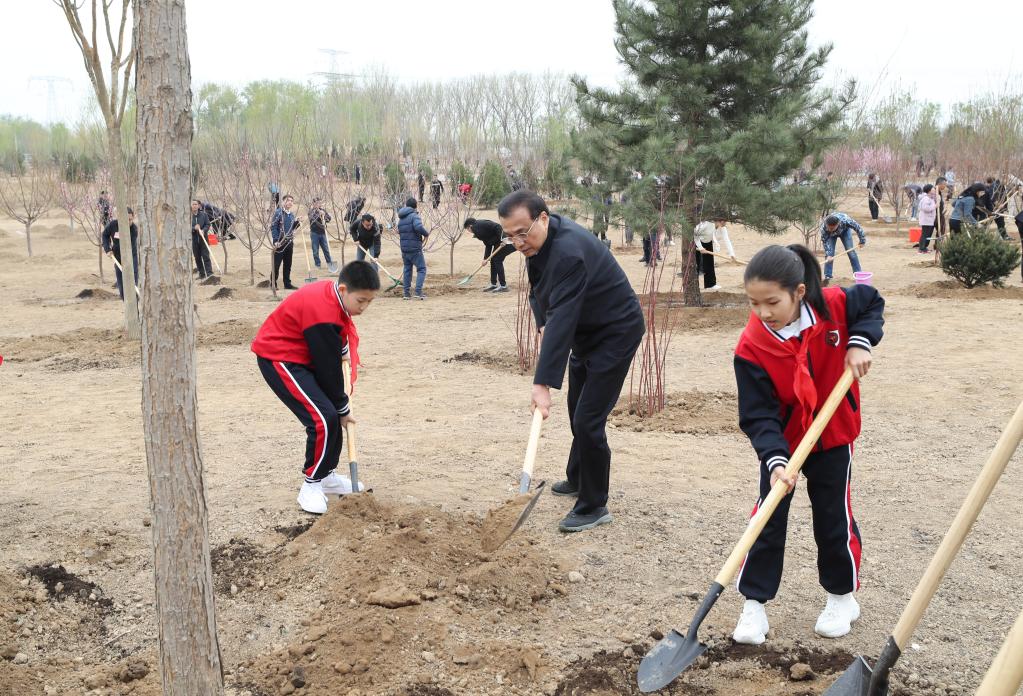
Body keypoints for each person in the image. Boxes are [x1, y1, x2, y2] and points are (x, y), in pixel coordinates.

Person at [731, 244, 884, 645]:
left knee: (832, 517)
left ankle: (841, 597)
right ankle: (754, 606)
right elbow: (758, 414)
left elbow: (872, 302)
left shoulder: (834, 306)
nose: (763, 312)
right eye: (753, 303)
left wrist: (860, 342)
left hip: (834, 434)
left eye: (772, 302)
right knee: (768, 517)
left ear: (799, 292)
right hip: (785, 443)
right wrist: (776, 460)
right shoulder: (751, 346)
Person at [499, 190, 645, 533]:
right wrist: (542, 323)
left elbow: (563, 316)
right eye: (510, 235)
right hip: (588, 331)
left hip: (615, 332)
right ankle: (578, 476)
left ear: (543, 217)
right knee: (578, 405)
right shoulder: (539, 242)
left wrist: (542, 383)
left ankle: (594, 505)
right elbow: (539, 291)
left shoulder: (567, 252)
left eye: (523, 232)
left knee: (589, 418)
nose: (518, 242)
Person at [251, 261, 380, 514]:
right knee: (322, 418)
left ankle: (326, 476)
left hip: (303, 353)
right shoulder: (321, 311)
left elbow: (336, 332)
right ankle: (311, 484)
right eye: (361, 301)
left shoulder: (335, 298)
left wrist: (341, 347)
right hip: (280, 357)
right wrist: (342, 406)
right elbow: (327, 368)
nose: (364, 308)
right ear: (343, 290)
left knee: (330, 414)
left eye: (369, 302)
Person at [463, 217, 514, 292]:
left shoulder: (479, 226)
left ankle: (503, 286)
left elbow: (497, 226)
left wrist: (503, 239)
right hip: (499, 243)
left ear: (470, 226)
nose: (469, 231)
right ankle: (493, 284)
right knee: (493, 260)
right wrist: (485, 258)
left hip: (507, 241)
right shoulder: (478, 230)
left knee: (497, 260)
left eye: (468, 229)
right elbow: (488, 244)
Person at [101, 206, 139, 301]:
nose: (128, 222)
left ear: (133, 218)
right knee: (122, 288)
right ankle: (126, 305)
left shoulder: (134, 230)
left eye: (130, 220)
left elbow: (128, 247)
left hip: (131, 259)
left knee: (132, 285)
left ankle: (136, 310)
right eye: (125, 220)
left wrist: (127, 263)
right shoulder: (113, 225)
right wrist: (107, 249)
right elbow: (105, 235)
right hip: (117, 259)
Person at [397, 197, 429, 299]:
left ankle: (406, 293)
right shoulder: (414, 216)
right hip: (414, 248)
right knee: (422, 269)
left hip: (404, 249)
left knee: (407, 269)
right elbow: (418, 227)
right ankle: (418, 292)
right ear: (415, 206)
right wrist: (426, 234)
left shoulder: (401, 218)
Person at [820, 213, 866, 283]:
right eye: (829, 228)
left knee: (851, 252)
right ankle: (828, 276)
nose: (831, 229)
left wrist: (862, 241)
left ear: (838, 224)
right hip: (830, 236)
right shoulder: (824, 228)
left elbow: (858, 228)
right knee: (829, 255)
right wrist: (828, 253)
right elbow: (824, 241)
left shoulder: (845, 220)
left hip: (845, 232)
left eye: (832, 228)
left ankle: (858, 274)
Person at [693, 217, 736, 290]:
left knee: (709, 263)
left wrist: (732, 254)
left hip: (708, 242)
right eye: (723, 221)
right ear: (718, 221)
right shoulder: (706, 225)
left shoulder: (723, 228)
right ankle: (693, 287)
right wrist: (700, 247)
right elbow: (695, 234)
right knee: (696, 264)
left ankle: (710, 285)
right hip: (696, 242)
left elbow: (727, 240)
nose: (725, 223)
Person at [270, 194, 300, 290]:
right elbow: (274, 227)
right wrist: (276, 241)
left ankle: (287, 284)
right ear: (283, 202)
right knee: (276, 264)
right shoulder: (278, 213)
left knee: (288, 264)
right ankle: (273, 284)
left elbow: (291, 228)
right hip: (280, 242)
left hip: (289, 242)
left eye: (291, 201)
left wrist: (297, 222)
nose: (290, 202)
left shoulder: (291, 215)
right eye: (288, 200)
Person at [308, 197, 336, 273]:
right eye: (317, 203)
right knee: (315, 250)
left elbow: (329, 219)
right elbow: (312, 219)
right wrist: (319, 215)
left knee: (326, 249)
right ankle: (318, 264)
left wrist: (324, 216)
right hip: (314, 234)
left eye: (320, 203)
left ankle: (330, 263)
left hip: (323, 233)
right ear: (313, 204)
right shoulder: (311, 211)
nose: (318, 204)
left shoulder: (323, 210)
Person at [190, 199, 214, 279]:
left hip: (204, 239)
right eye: (193, 204)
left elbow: (208, 224)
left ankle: (209, 273)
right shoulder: (188, 216)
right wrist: (194, 228)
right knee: (197, 257)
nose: (194, 206)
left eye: (196, 204)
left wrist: (203, 230)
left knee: (206, 256)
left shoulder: (204, 215)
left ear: (199, 205)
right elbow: (186, 227)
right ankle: (202, 274)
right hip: (194, 240)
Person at [916, 184, 938, 253]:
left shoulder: (930, 198)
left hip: (929, 220)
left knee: (927, 234)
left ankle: (924, 247)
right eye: (932, 188)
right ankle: (921, 248)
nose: (934, 189)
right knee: (924, 234)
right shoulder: (926, 199)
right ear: (929, 191)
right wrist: (935, 206)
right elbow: (925, 208)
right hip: (925, 219)